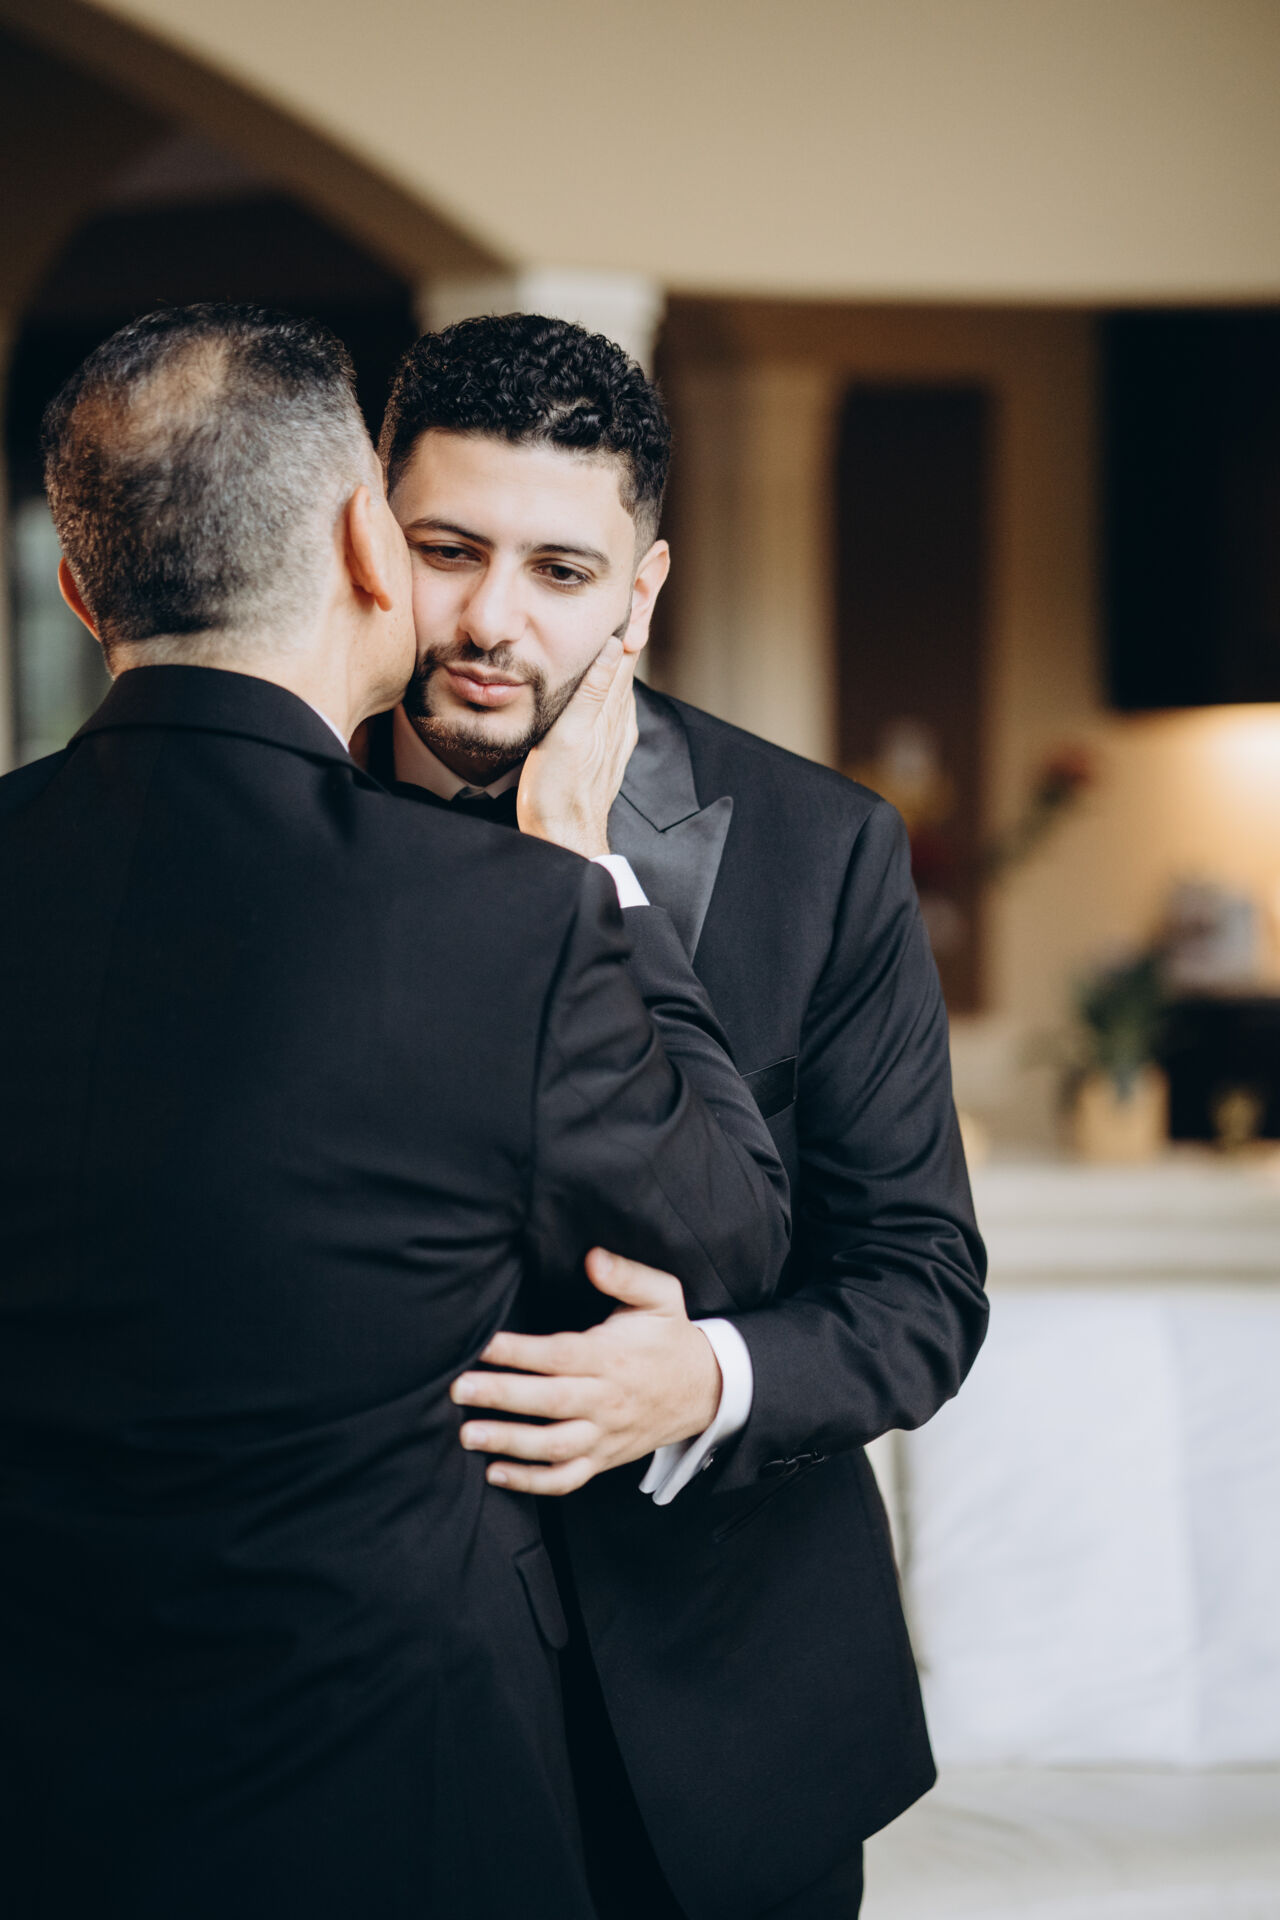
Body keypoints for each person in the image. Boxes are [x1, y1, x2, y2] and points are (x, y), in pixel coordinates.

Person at [0, 303, 790, 1920]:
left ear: (79, 593)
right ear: (372, 544)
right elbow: (732, 1228)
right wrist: (591, 882)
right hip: (385, 1794)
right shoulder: (510, 917)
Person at [366, 313, 990, 1920]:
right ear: (372, 540)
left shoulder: (822, 848)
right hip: (372, 1718)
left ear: (640, 594)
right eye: (448, 550)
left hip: (730, 1710)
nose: (490, 620)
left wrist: (707, 1376)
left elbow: (920, 1289)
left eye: (560, 571)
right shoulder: (279, 823)